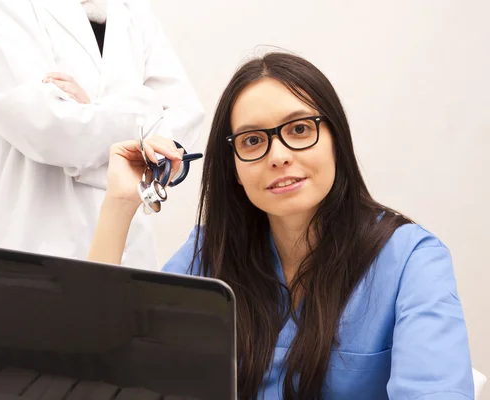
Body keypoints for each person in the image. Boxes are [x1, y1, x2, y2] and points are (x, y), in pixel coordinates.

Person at [87, 52, 474, 399]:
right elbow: (108, 367)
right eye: (253, 140)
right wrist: (119, 203)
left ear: (336, 139)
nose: (279, 156)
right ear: (234, 168)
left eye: (300, 130)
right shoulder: (210, 253)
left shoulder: (412, 261)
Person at [0, 0, 204, 269]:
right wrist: (145, 109)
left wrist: (91, 111)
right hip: (32, 249)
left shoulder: (132, 13)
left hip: (130, 254)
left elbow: (185, 120)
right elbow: (54, 132)